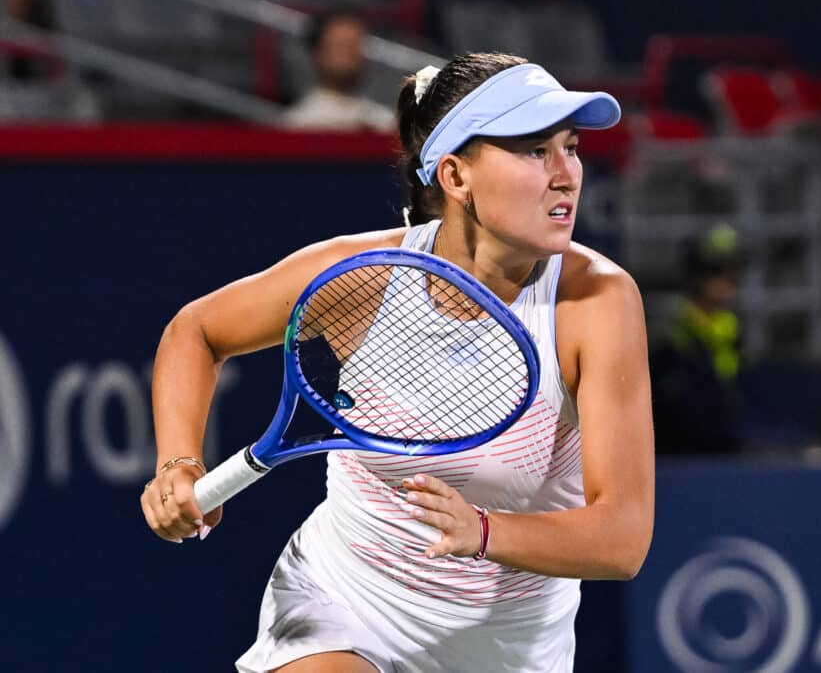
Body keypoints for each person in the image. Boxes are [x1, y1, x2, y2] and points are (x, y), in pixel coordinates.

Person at [140, 52, 654, 672]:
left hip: (509, 646)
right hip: (345, 600)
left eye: (569, 148)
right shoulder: (361, 279)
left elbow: (622, 537)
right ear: (456, 177)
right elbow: (196, 330)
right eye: (533, 151)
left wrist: (485, 533)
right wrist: (178, 461)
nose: (566, 174)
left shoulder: (595, 301)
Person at [651, 223, 744, 455]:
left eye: (733, 270)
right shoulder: (669, 330)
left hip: (724, 450)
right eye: (717, 269)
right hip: (679, 455)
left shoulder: (731, 326)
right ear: (696, 273)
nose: (727, 278)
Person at [282, 7, 396, 132]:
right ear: (317, 52)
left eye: (354, 45)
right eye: (341, 45)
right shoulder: (297, 124)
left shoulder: (384, 123)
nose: (349, 55)